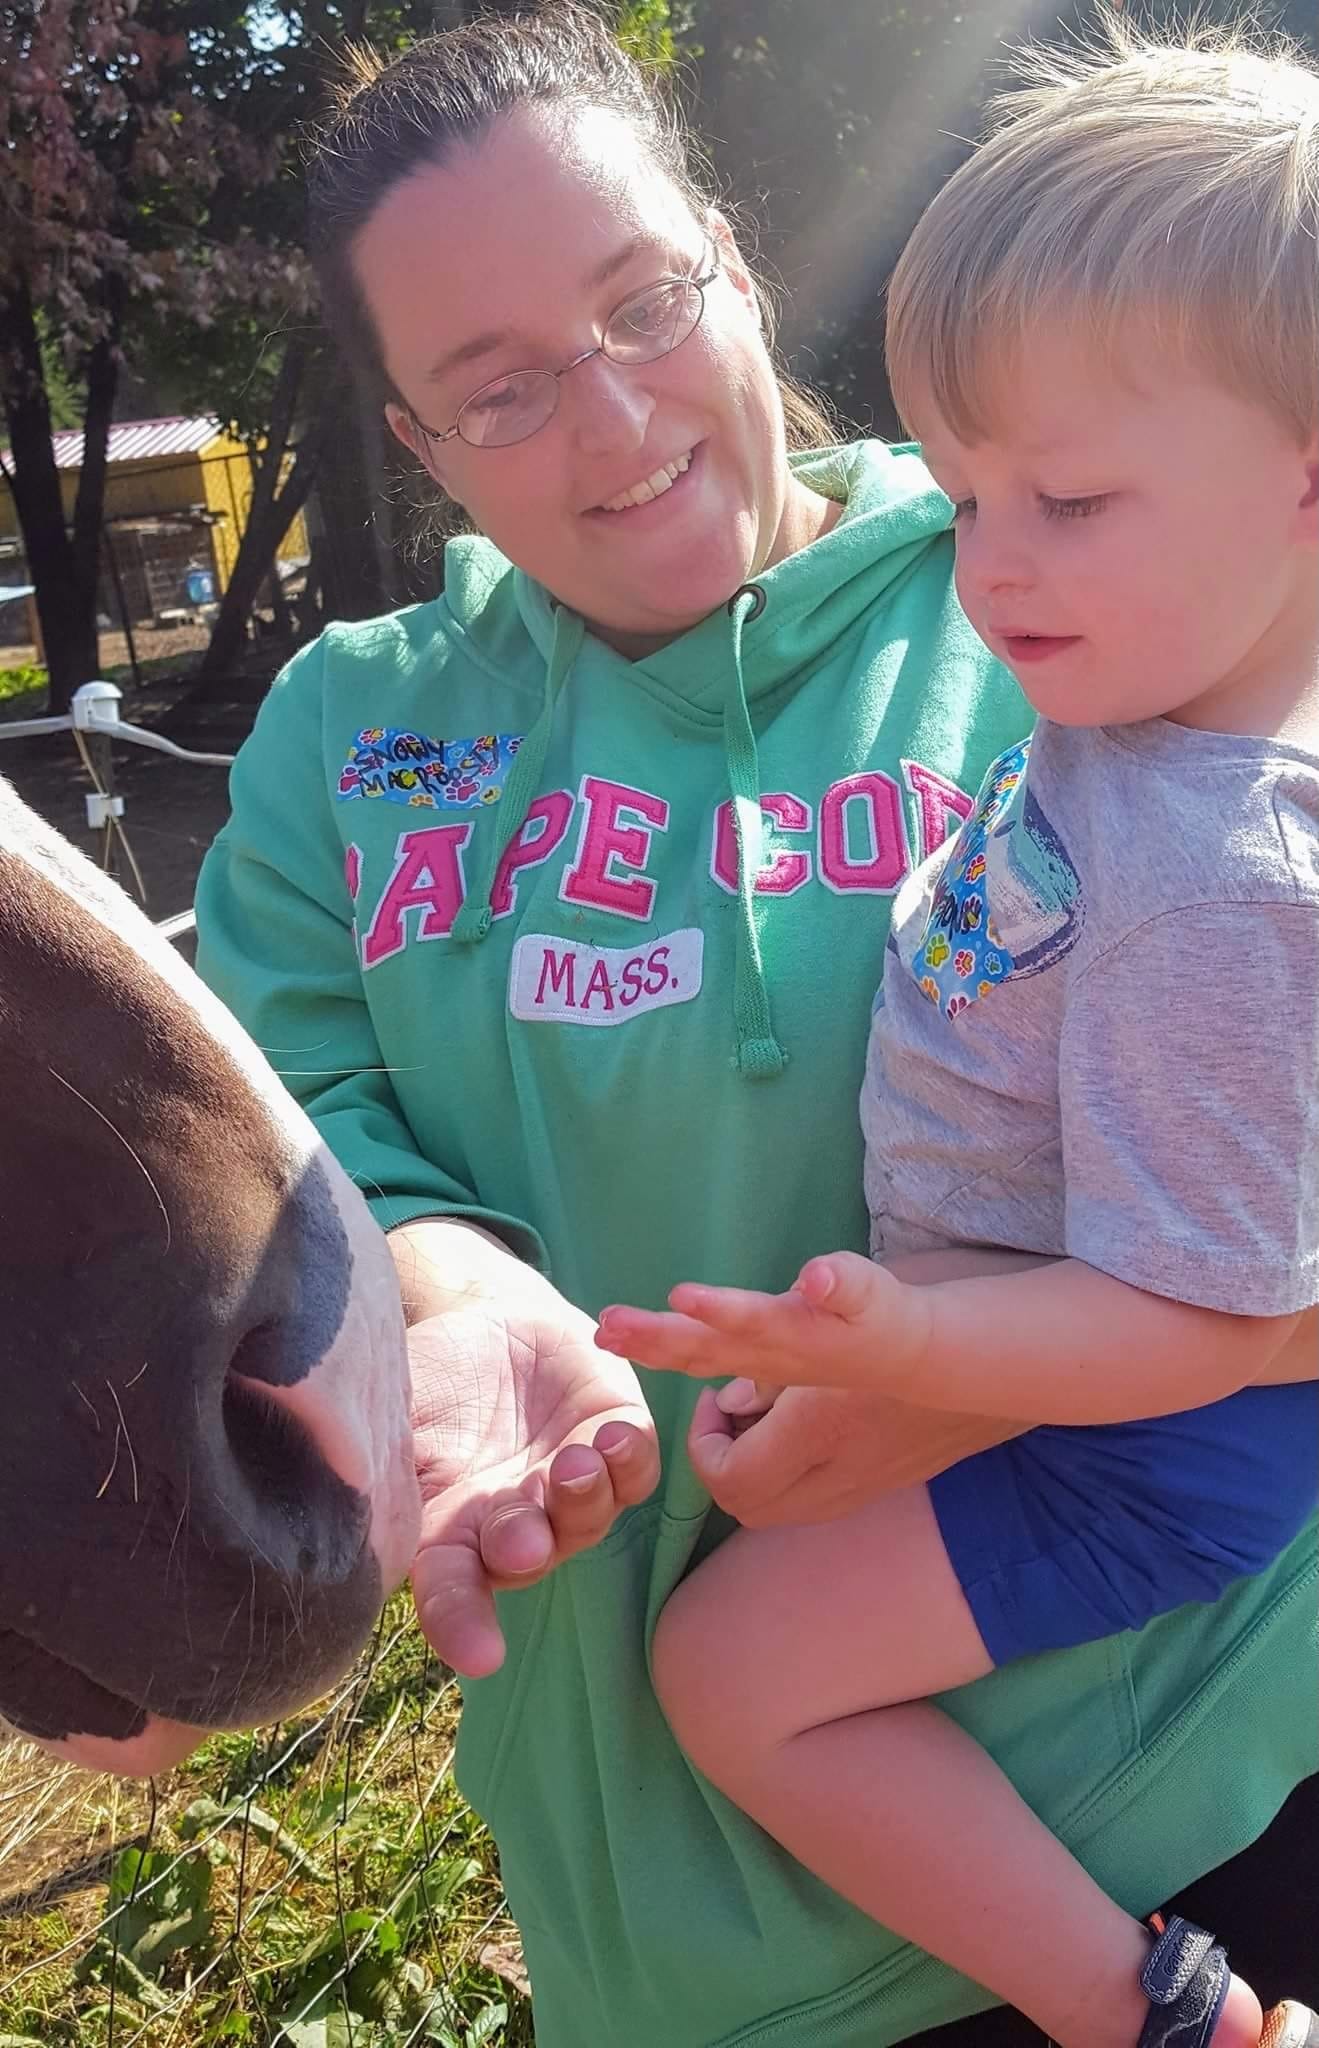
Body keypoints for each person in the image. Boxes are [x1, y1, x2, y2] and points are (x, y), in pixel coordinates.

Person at [193, 7, 1318, 2044]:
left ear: (729, 246)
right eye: (499, 387)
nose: (616, 422)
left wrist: (957, 1382)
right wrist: (452, 1298)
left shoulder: (1086, 557)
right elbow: (290, 1138)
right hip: (674, 1931)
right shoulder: (348, 735)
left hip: (1199, 1803)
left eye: (643, 303)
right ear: (415, 442)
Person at [594, 21, 1319, 2048]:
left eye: (1068, 497)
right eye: (968, 480)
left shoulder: (1224, 872)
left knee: (732, 1672)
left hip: (1152, 1437)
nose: (988, 561)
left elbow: (1203, 1318)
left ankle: (1151, 2016)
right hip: (1054, 1352)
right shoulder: (1146, 709)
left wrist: (909, 1348)